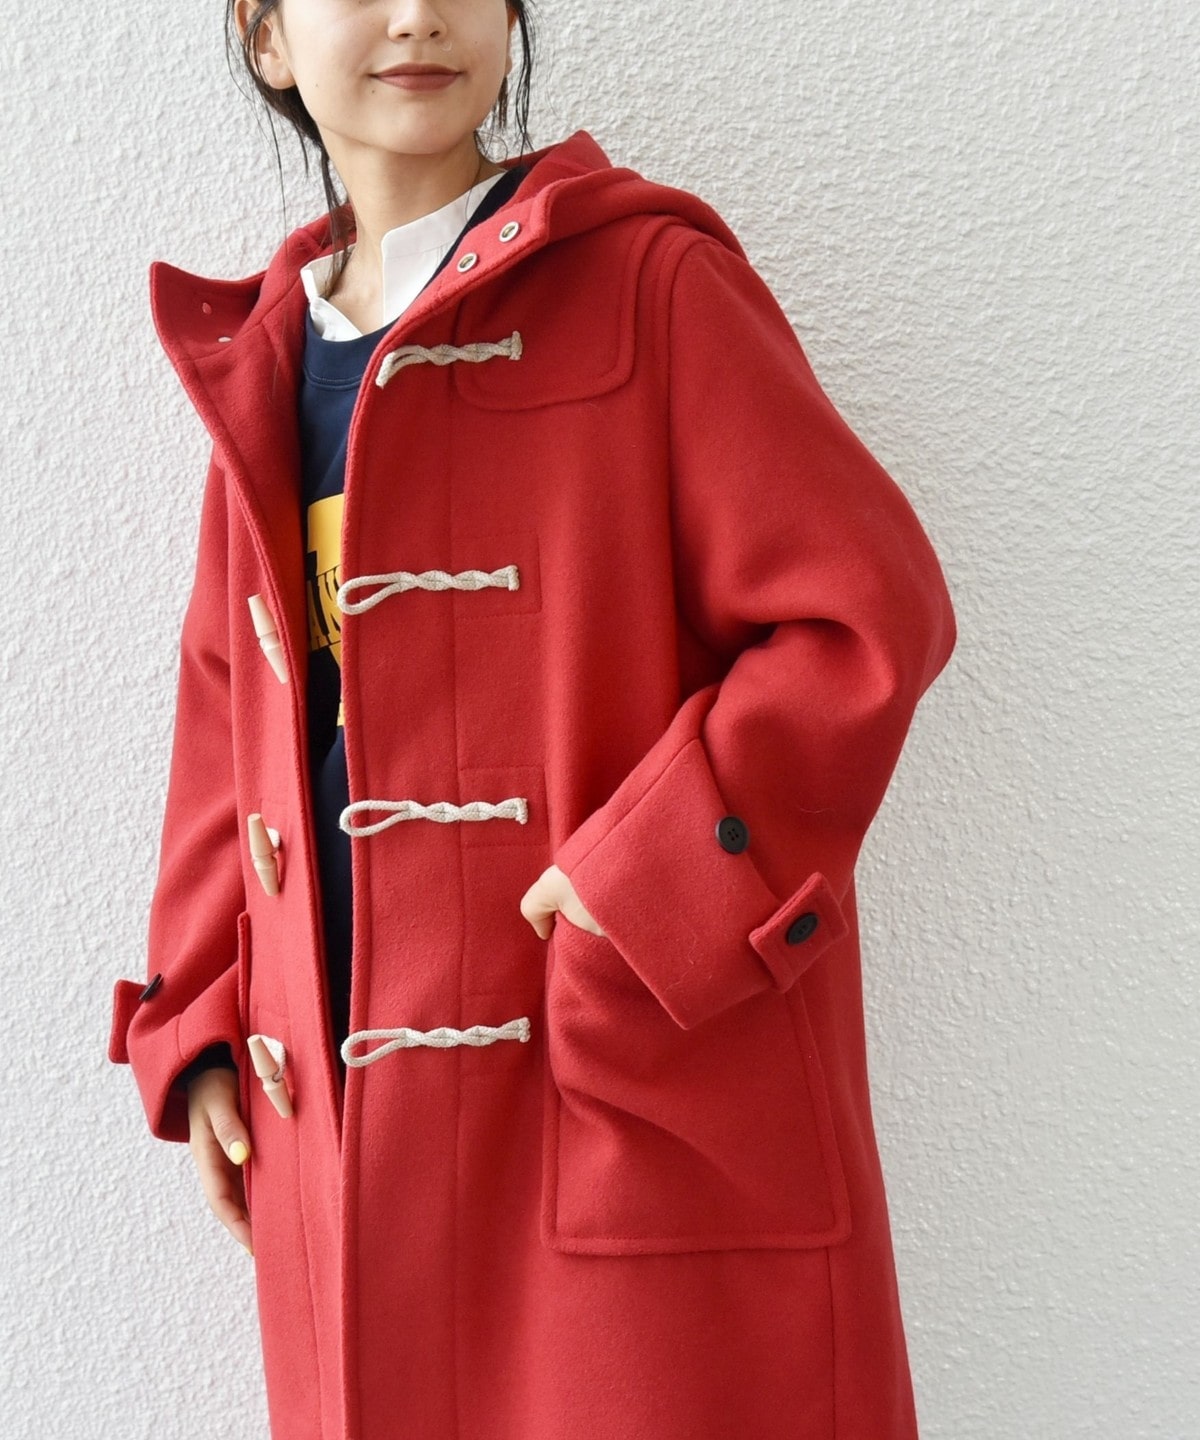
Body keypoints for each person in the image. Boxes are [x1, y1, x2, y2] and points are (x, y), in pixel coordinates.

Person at [107, 2, 957, 1436]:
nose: (418, 16)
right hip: (340, 1103)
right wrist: (196, 1020)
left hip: (620, 1074)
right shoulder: (269, 361)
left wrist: (651, 886)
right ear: (265, 37)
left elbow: (865, 620)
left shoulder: (649, 287)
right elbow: (228, 710)